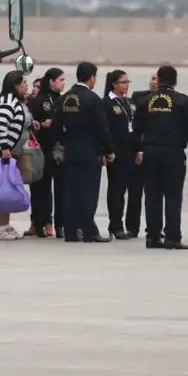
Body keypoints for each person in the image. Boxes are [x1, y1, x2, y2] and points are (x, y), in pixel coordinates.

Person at [133, 65, 188, 250]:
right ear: (175, 80)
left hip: (151, 152)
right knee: (173, 196)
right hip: (173, 153)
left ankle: (153, 237)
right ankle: (172, 237)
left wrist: (138, 149)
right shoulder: (182, 101)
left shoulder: (145, 100)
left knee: (152, 196)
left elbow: (136, 128)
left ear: (159, 79)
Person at [55, 62, 115, 243]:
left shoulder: (64, 98)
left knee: (71, 191)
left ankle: (71, 231)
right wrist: (109, 149)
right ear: (91, 78)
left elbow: (57, 126)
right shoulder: (92, 99)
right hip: (89, 152)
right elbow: (102, 128)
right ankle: (89, 231)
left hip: (70, 151)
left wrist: (63, 144)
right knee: (88, 192)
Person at [0, 70, 31, 240]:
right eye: (23, 83)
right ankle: (1, 227)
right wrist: (5, 148)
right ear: (15, 85)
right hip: (0, 149)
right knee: (4, 187)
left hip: (7, 150)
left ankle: (5, 224)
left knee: (9, 186)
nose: (26, 85)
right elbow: (1, 125)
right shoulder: (8, 102)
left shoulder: (16, 101)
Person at [26, 68, 67, 237]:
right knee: (40, 189)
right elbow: (29, 124)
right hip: (41, 150)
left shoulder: (65, 100)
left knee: (61, 189)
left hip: (60, 151)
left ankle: (60, 224)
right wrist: (42, 124)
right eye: (61, 79)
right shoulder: (39, 101)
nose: (63, 82)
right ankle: (39, 223)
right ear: (51, 82)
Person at [102, 69, 143, 239]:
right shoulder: (106, 103)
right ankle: (115, 225)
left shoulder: (129, 102)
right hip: (117, 153)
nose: (126, 85)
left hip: (132, 151)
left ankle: (132, 226)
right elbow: (104, 129)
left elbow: (137, 127)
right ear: (114, 84)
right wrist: (107, 150)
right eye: (123, 82)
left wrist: (140, 149)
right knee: (117, 190)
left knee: (133, 190)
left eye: (128, 82)